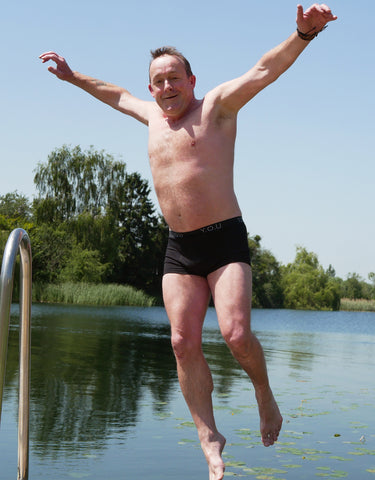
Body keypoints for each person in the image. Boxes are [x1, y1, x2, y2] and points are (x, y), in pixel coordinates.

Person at [39, 4, 337, 479]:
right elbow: (116, 94)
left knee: (237, 335)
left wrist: (302, 35)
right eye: (157, 81)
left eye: (174, 78)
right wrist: (73, 76)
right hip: (179, 247)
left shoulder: (217, 107)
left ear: (192, 80)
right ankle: (208, 434)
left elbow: (264, 70)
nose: (165, 88)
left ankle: (264, 394)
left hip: (224, 241)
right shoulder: (152, 117)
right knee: (181, 341)